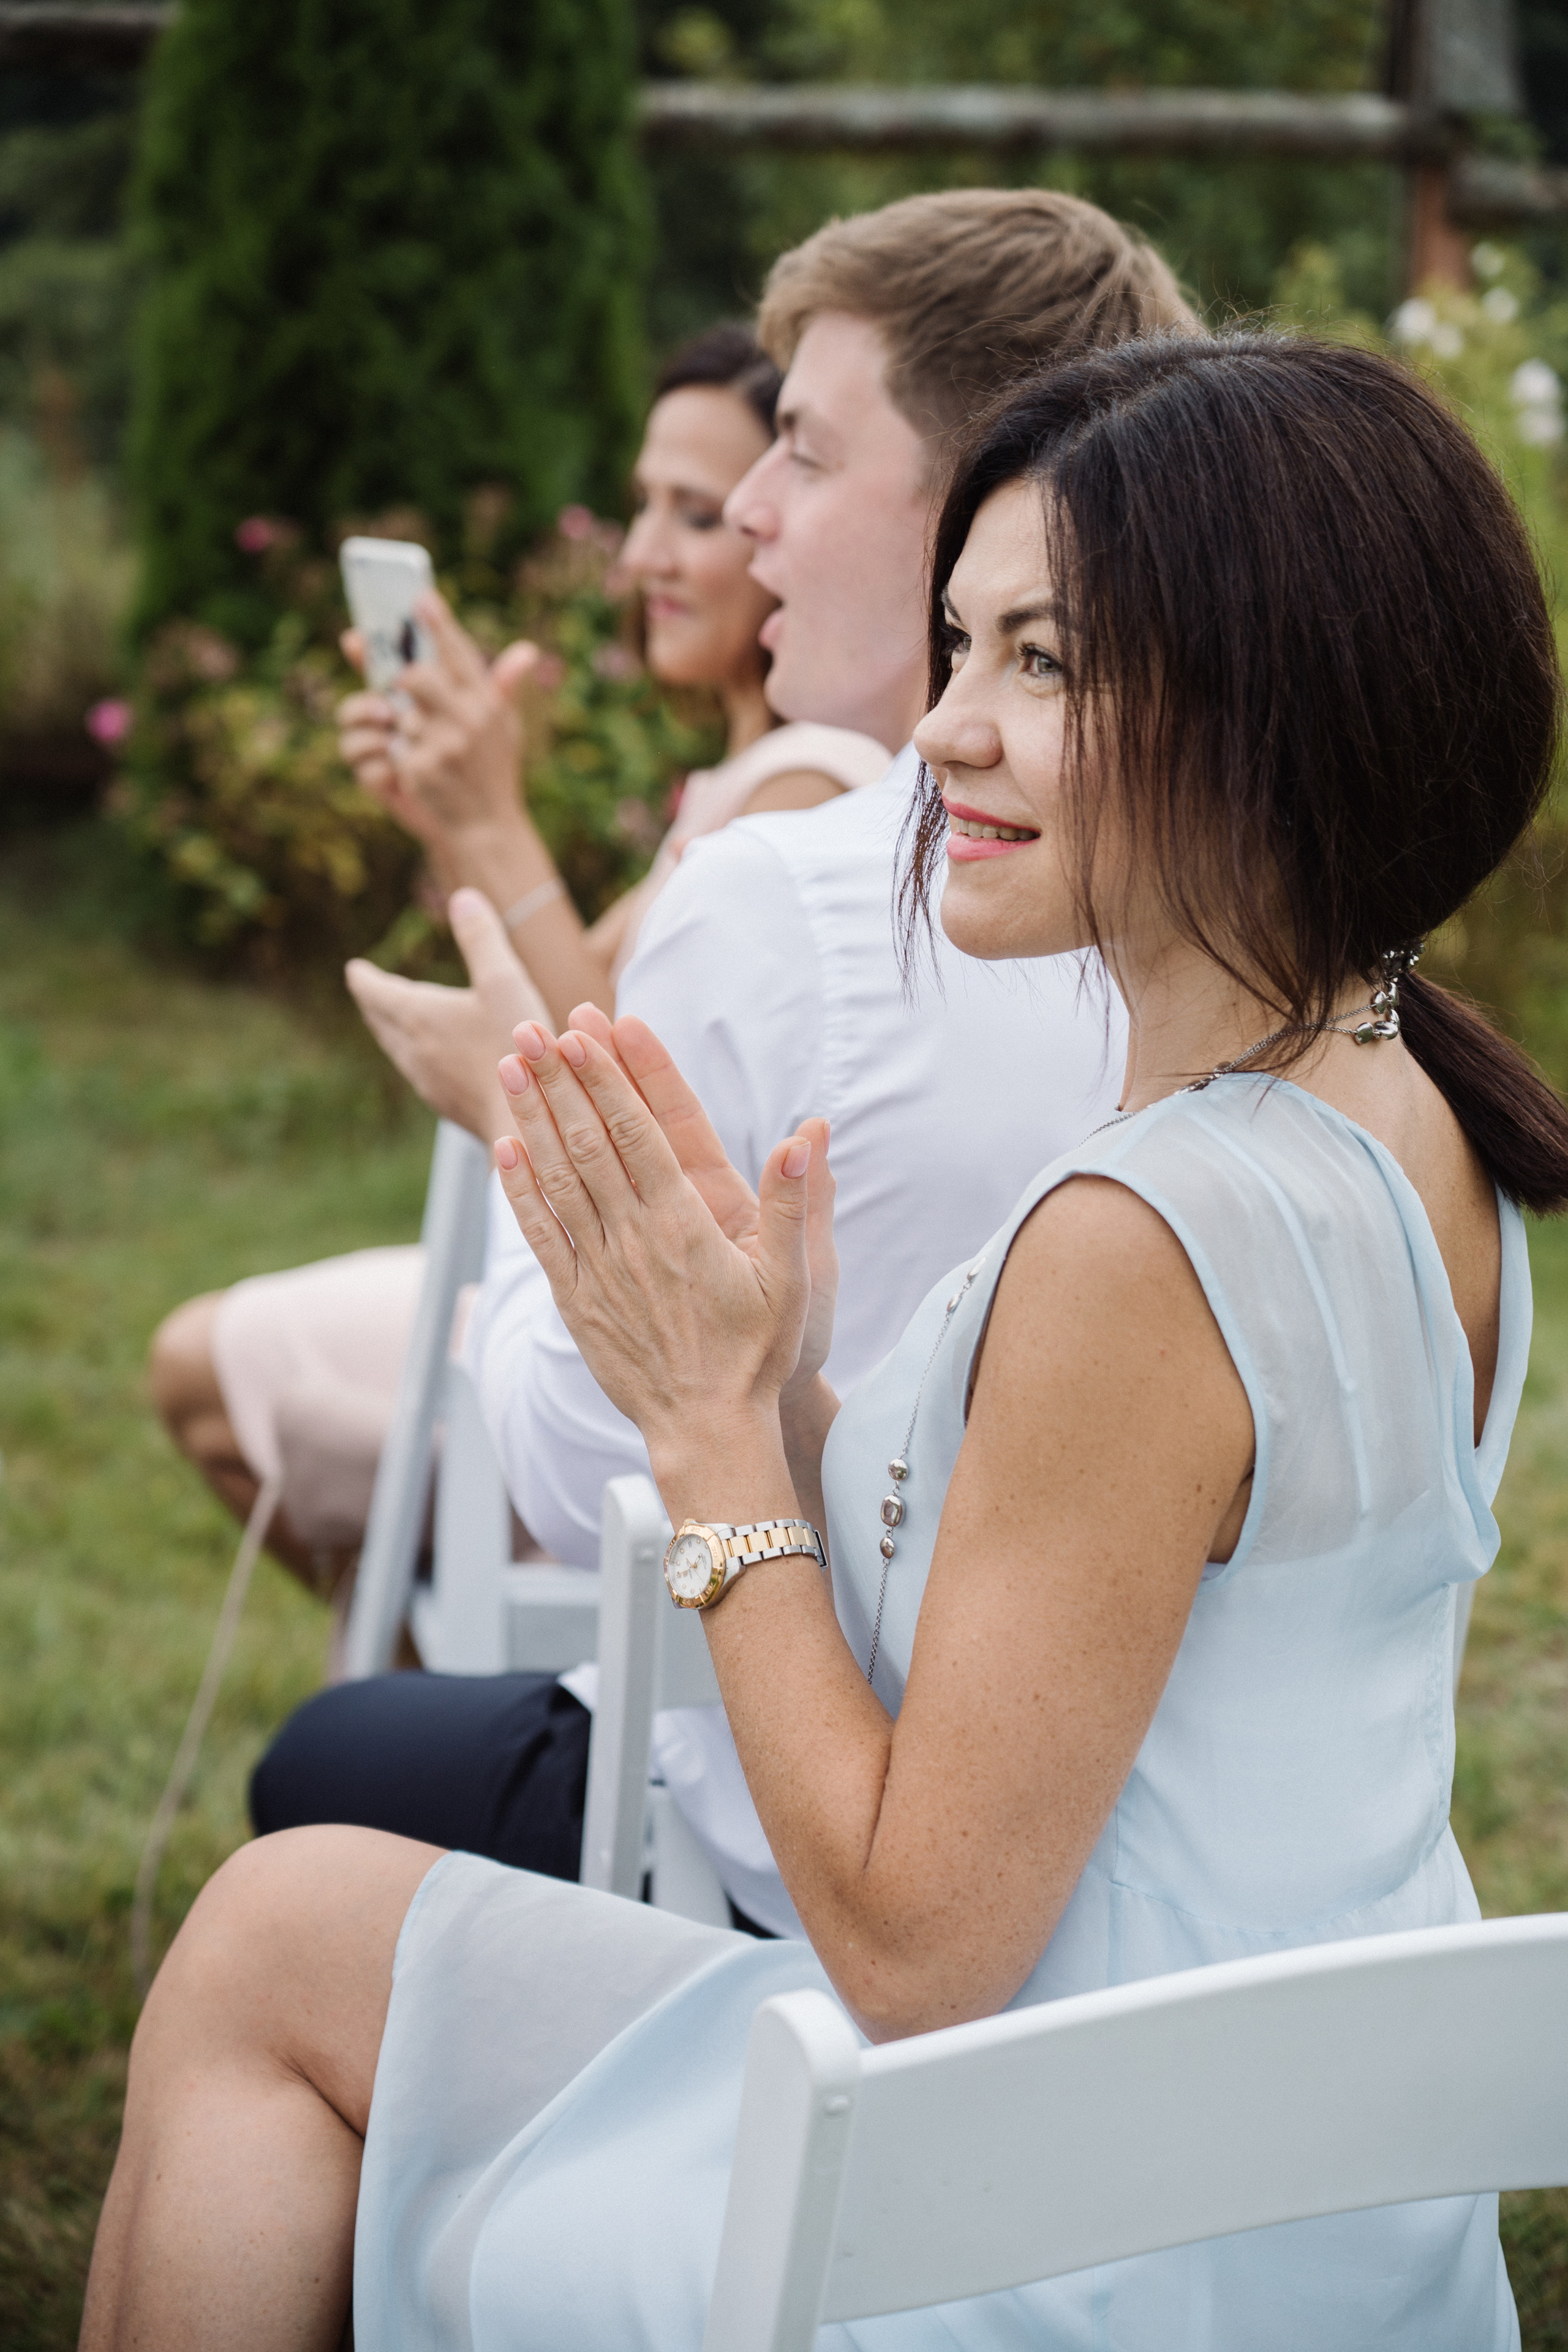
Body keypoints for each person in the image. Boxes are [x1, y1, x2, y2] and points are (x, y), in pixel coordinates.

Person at [81, 328, 1567, 2351]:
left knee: (266, 1948)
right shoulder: (1417, 1132)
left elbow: (920, 1948)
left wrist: (703, 1437)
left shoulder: (1142, 1233)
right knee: (288, 1922)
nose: (945, 732)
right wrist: (777, 1384)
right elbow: (1123, 1633)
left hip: (1056, 2228)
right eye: (957, 649)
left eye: (1042, 663)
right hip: (1292, 2178)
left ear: (1284, 697)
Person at [251, 190, 1192, 1930]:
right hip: (1162, 1857)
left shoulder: (800, 886)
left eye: (802, 458)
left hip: (810, 1833)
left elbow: (572, 1473)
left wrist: (549, 1178)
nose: (750, 515)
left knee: (311, 1791)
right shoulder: (1242, 925)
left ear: (997, 502)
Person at [145, 326, 885, 1616]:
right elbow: (569, 985)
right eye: (644, 504)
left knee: (202, 1368)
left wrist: (490, 817)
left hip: (648, 1360)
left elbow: (591, 1060)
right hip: (581, 1315)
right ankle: (433, 1682)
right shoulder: (742, 774)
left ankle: (445, 1679)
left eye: (696, 513)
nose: (645, 553)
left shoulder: (807, 786)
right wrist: (457, 816)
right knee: (209, 1368)